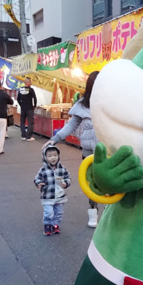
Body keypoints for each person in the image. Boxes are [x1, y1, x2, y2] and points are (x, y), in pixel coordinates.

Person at [44, 70, 100, 227]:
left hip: (108, 151)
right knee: (91, 182)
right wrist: (55, 139)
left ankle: (110, 212)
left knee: (109, 181)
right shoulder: (82, 104)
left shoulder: (112, 102)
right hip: (89, 152)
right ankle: (93, 212)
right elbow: (71, 125)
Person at [34, 143, 71, 236]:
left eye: (55, 155)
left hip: (60, 196)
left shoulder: (62, 168)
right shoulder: (43, 170)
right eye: (50, 156)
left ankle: (55, 225)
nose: (53, 158)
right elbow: (37, 178)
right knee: (49, 212)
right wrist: (39, 183)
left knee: (58, 212)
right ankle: (47, 225)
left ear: (58, 156)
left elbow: (68, 177)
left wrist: (66, 183)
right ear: (45, 158)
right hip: (48, 195)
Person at [17, 76, 37, 141]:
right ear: (27, 83)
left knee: (22, 122)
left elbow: (18, 99)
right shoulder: (31, 90)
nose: (31, 83)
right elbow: (35, 98)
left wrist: (21, 105)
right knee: (30, 122)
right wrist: (34, 106)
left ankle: (23, 135)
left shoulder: (21, 89)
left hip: (23, 108)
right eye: (30, 82)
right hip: (29, 108)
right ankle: (29, 136)